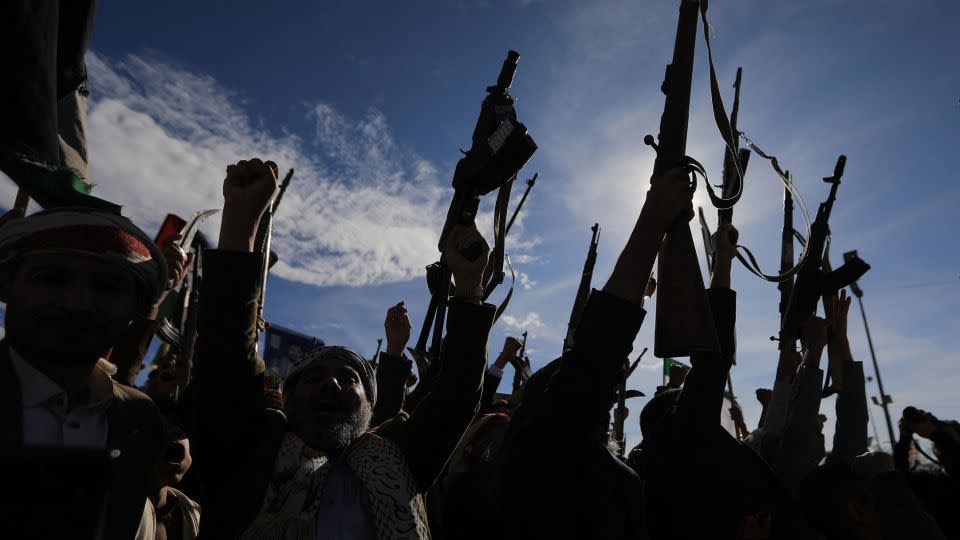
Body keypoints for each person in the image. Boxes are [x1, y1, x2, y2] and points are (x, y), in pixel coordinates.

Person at [189, 158, 496, 538]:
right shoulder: (248, 447)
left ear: (370, 404)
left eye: (348, 378)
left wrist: (468, 284)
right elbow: (225, 351)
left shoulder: (402, 455)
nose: (331, 385)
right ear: (289, 396)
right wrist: (240, 219)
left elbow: (459, 392)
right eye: (313, 377)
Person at [0, 206, 171, 538]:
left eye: (107, 286)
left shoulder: (139, 420)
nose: (78, 303)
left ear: (134, 309)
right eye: (51, 278)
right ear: (6, 285)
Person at [137, 397, 201, 540]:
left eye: (180, 433)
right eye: (160, 432)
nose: (174, 442)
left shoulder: (189, 512)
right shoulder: (118, 510)